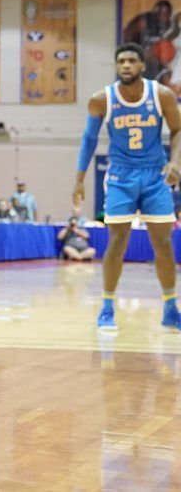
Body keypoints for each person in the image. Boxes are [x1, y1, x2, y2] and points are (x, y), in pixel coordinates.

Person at [74, 43, 181, 332]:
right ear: (116, 65)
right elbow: (89, 140)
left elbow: (178, 130)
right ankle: (107, 307)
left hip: (154, 176)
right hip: (120, 176)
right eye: (121, 61)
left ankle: (171, 307)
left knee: (163, 244)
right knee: (117, 242)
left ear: (142, 65)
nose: (126, 65)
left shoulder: (161, 95)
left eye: (132, 60)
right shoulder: (101, 99)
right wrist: (79, 180)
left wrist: (175, 161)